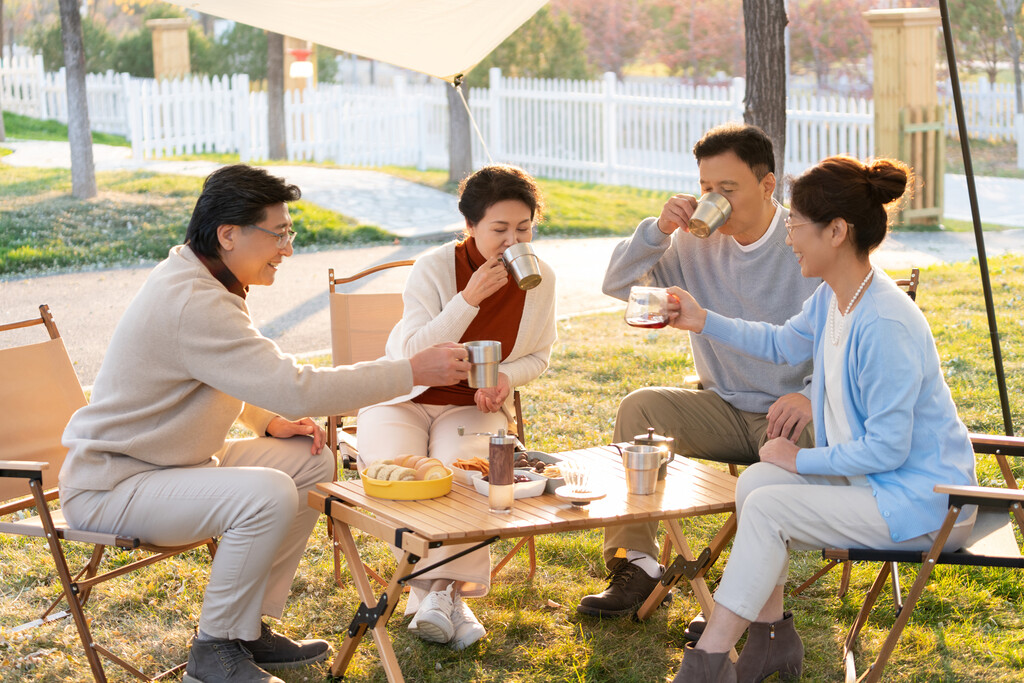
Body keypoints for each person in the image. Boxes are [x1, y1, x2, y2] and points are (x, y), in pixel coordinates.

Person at [59, 164, 470, 683]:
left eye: (288, 233)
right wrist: (411, 371)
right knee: (267, 492)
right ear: (227, 235)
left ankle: (245, 627)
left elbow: (216, 372)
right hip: (114, 484)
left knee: (311, 459)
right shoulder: (194, 300)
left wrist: (266, 419)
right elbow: (299, 386)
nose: (287, 249)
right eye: (278, 234)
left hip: (169, 465)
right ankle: (213, 653)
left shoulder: (203, 277)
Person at [668, 155, 977, 682]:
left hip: (922, 506)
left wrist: (802, 456)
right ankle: (770, 640)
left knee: (769, 506)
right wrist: (703, 319)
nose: (788, 237)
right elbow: (782, 343)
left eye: (795, 225)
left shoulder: (883, 322)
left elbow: (889, 449)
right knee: (759, 484)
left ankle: (708, 663)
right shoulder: (837, 298)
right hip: (878, 486)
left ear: (836, 231)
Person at [580, 123, 820, 619]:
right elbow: (618, 284)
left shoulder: (801, 241)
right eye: (707, 188)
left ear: (768, 185)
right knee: (639, 408)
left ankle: (739, 601)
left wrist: (814, 394)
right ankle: (639, 566)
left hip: (796, 417)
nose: (715, 199)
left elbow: (845, 337)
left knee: (780, 467)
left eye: (727, 189)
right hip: (726, 406)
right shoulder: (692, 243)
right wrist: (657, 231)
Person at [356, 164, 557, 650]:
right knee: (404, 477)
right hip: (403, 399)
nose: (514, 240)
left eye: (525, 228)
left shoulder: (540, 277)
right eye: (500, 229)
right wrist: (467, 300)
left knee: (469, 477)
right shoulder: (433, 268)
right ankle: (446, 597)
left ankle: (435, 594)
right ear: (469, 226)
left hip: (470, 405)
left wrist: (507, 377)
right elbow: (412, 354)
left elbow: (540, 354)